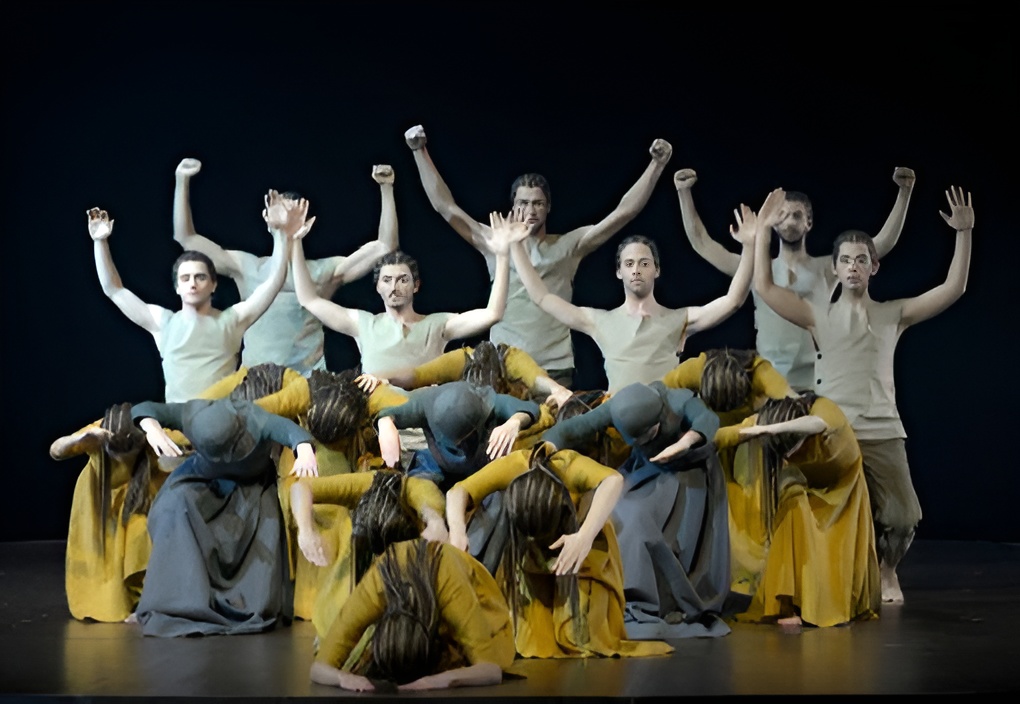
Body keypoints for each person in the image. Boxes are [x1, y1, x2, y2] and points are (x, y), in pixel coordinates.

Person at [751, 185, 974, 603]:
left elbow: (953, 288)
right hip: (833, 431)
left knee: (903, 516)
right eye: (845, 260)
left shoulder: (893, 314)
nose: (853, 267)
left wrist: (964, 233)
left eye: (861, 260)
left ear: (874, 267)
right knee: (811, 504)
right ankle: (816, 579)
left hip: (883, 430)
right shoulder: (816, 315)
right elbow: (763, 285)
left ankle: (886, 571)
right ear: (834, 269)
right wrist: (763, 230)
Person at [405, 124, 673, 386]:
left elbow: (623, 213)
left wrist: (656, 165)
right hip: (504, 363)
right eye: (523, 203)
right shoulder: (495, 241)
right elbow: (445, 207)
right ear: (513, 206)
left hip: (554, 366)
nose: (531, 210)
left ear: (548, 207)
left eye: (538, 203)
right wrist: (419, 151)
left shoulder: (569, 246)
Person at [675, 166, 916, 391]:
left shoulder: (826, 269)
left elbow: (880, 244)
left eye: (797, 215)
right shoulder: (754, 268)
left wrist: (904, 192)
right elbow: (702, 243)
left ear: (808, 222)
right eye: (782, 214)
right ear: (772, 221)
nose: (789, 220)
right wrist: (684, 192)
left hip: (816, 383)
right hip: (769, 385)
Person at [446, 444, 674, 659]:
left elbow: (613, 480)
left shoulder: (569, 466)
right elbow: (458, 491)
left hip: (580, 542)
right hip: (530, 555)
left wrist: (584, 536)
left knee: (581, 638)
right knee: (529, 640)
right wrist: (457, 531)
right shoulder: (515, 465)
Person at [172, 158, 399, 374]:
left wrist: (386, 188)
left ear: (307, 223)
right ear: (267, 217)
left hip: (307, 382)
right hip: (256, 382)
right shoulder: (247, 267)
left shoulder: (324, 272)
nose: (287, 220)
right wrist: (182, 180)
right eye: (282, 212)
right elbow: (187, 238)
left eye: (294, 215)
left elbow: (384, 246)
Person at [541, 381, 728, 638]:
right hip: (645, 467)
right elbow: (572, 428)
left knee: (639, 517)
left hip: (685, 471)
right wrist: (545, 450)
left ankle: (647, 592)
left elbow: (707, 419)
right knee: (610, 507)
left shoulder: (677, 402)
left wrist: (684, 443)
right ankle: (610, 583)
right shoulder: (618, 407)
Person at [129, 396, 318, 636]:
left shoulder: (255, 419)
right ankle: (176, 603)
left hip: (251, 488)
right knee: (173, 507)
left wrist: (304, 451)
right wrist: (151, 427)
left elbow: (291, 432)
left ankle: (239, 604)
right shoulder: (191, 413)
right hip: (201, 480)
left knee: (262, 531)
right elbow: (145, 408)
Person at [88, 191, 303, 402]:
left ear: (213, 284)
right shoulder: (162, 322)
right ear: (177, 287)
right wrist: (100, 242)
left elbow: (274, 282)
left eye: (200, 277)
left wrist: (281, 234)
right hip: (176, 422)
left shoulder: (233, 320)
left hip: (221, 420)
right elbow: (114, 290)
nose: (192, 283)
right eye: (185, 278)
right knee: (135, 418)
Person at [511, 209, 754, 393]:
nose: (636, 270)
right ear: (619, 272)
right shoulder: (599, 321)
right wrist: (516, 246)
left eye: (644, 263)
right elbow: (542, 297)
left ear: (657, 270)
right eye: (629, 264)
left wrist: (751, 246)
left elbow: (733, 300)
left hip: (665, 419)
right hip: (618, 423)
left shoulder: (679, 319)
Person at [293, 210, 524, 377]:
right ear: (378, 287)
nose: (394, 286)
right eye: (387, 280)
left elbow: (493, 314)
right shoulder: (363, 324)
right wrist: (293, 242)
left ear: (416, 286)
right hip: (378, 419)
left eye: (403, 279)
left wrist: (503, 256)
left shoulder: (438, 325)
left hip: (427, 421)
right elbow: (308, 299)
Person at [716, 394, 881, 628]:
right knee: (792, 509)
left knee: (835, 549)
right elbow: (725, 435)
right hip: (809, 483)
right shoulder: (771, 417)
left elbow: (817, 423)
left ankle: (827, 604)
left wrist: (771, 429)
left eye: (790, 447)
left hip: (842, 489)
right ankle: (789, 604)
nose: (786, 456)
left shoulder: (824, 410)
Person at [660, 348, 797, 595]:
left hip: (750, 442)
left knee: (748, 505)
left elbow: (793, 403)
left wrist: (759, 422)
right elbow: (659, 393)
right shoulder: (695, 369)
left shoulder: (761, 373)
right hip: (710, 440)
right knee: (711, 501)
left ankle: (748, 572)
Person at [310, 539, 516, 692]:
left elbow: (491, 669)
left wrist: (437, 680)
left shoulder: (450, 586)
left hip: (477, 600)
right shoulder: (376, 584)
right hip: (419, 594)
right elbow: (318, 668)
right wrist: (344, 679)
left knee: (476, 659)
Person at [48, 403, 188, 623]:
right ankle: (117, 601)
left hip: (138, 498)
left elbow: (190, 440)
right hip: (100, 500)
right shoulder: (98, 433)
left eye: (128, 452)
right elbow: (57, 450)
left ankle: (145, 601)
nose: (122, 458)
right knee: (104, 556)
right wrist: (79, 439)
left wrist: (171, 443)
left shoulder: (150, 437)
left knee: (141, 543)